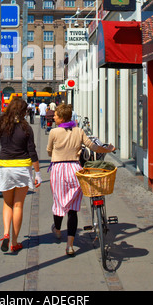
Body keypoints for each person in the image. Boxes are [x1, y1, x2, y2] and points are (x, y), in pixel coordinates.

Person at [47, 103, 115, 256]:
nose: (54, 117)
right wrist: (108, 149)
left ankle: (57, 230)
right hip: (74, 170)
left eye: (56, 115)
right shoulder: (79, 131)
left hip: (58, 170)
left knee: (58, 203)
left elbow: (49, 150)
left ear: (62, 118)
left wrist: (55, 151)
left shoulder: (54, 132)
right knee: (72, 208)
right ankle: (70, 245)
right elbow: (93, 146)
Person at [0, 97, 42, 253]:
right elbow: (32, 151)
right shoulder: (26, 128)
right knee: (18, 205)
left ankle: (5, 233)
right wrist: (38, 173)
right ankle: (14, 242)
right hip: (22, 168)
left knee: (7, 203)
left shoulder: (1, 126)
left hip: (5, 167)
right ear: (23, 111)